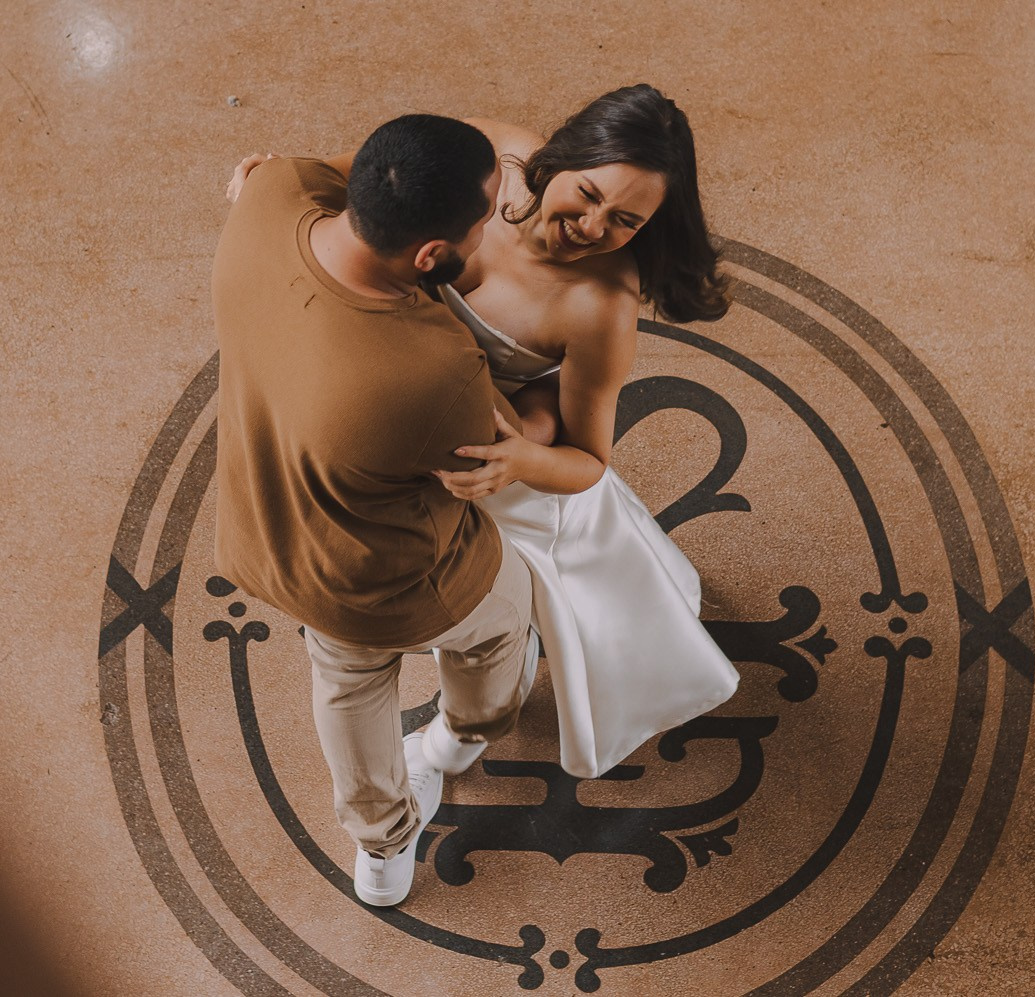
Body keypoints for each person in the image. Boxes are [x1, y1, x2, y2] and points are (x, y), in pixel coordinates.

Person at [225, 84, 739, 780]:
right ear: (554, 162)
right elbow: (379, 186)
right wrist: (270, 176)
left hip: (497, 457)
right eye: (586, 194)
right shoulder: (487, 155)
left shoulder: (601, 306)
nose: (592, 227)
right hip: (402, 408)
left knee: (503, 614)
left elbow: (589, 461)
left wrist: (523, 453)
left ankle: (461, 737)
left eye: (624, 221)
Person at [211, 113, 540, 910]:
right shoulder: (432, 367)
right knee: (504, 620)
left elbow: (328, 164)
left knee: (347, 685)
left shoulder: (270, 194)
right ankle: (460, 736)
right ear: (431, 257)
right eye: (489, 216)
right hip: (394, 581)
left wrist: (511, 156)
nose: (500, 221)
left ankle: (383, 850)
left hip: (265, 533)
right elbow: (503, 456)